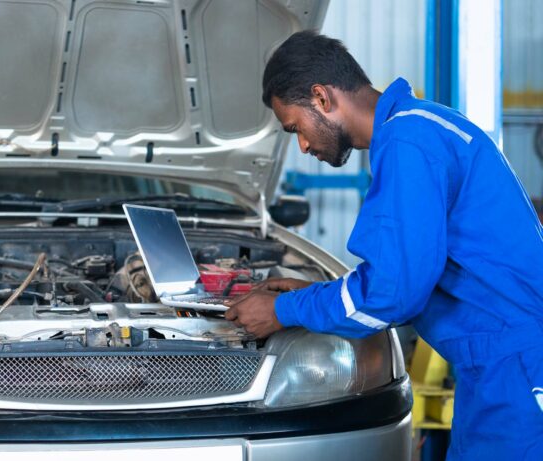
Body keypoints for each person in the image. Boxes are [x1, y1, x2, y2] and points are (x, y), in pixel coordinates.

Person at [224, 30, 543, 460]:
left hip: (518, 372)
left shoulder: (410, 143)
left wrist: (284, 311)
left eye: (295, 128)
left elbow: (392, 295)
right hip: (498, 366)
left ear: (321, 98)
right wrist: (310, 293)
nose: (302, 145)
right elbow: (401, 272)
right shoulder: (416, 130)